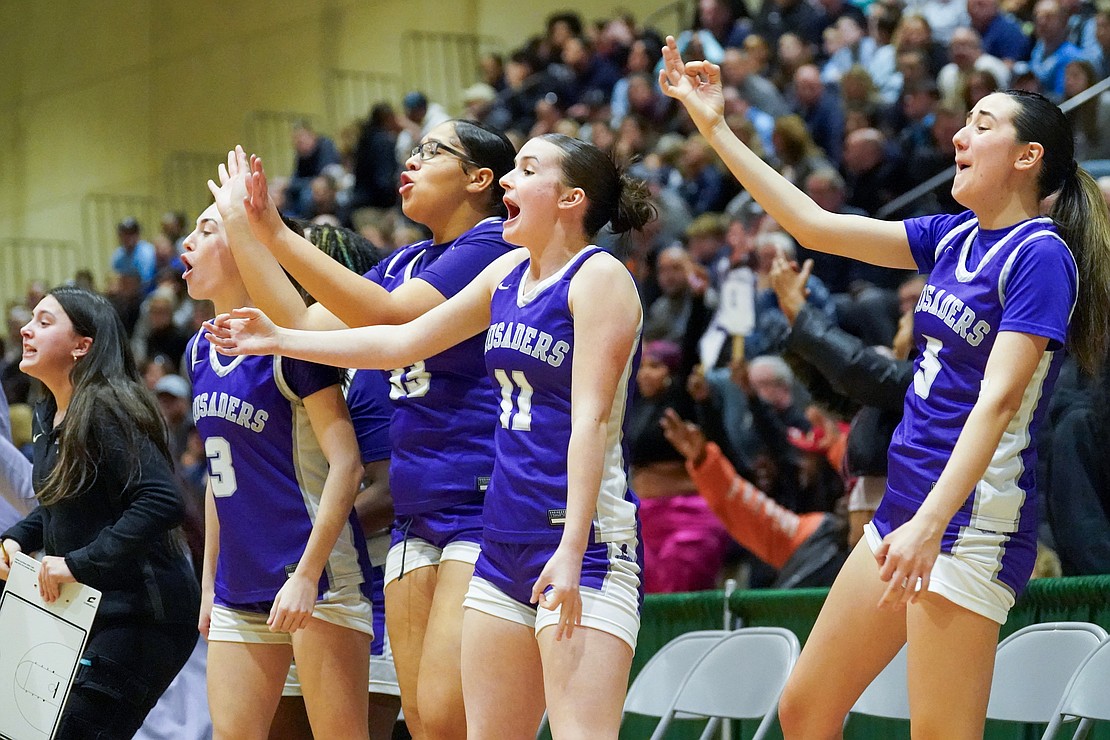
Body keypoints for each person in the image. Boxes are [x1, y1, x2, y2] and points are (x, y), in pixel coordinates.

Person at [660, 36, 1110, 737]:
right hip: (902, 513)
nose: (961, 134)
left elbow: (995, 403)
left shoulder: (1041, 255)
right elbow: (814, 224)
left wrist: (930, 525)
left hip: (966, 526)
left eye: (983, 125)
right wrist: (714, 125)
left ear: (1029, 158)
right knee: (806, 710)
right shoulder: (955, 238)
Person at [204, 132, 654, 740]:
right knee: (440, 725)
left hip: (558, 527)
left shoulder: (579, 269)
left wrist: (572, 546)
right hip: (488, 531)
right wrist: (278, 332)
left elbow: (591, 421)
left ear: (571, 198)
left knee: (480, 718)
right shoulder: (496, 271)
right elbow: (393, 343)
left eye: (524, 170)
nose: (508, 185)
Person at [208, 122, 516, 740]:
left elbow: (389, 318)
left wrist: (272, 231)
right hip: (417, 509)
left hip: (481, 500)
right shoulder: (405, 260)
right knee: (426, 722)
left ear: (479, 179)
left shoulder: (491, 248)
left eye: (433, 151)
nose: (412, 158)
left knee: (452, 709)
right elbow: (306, 326)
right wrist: (246, 232)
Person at [181, 203, 374, 740]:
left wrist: (309, 574)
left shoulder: (293, 339)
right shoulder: (198, 349)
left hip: (317, 578)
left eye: (207, 229)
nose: (187, 243)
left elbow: (347, 462)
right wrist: (209, 585)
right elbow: (222, 483)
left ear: (248, 247)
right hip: (238, 585)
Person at [0, 286, 200, 739]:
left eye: (45, 322)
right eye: (30, 320)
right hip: (94, 611)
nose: (27, 330)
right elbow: (62, 500)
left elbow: (160, 500)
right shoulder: (47, 414)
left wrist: (76, 563)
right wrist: (17, 537)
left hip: (145, 613)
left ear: (82, 345)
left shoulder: (107, 405)